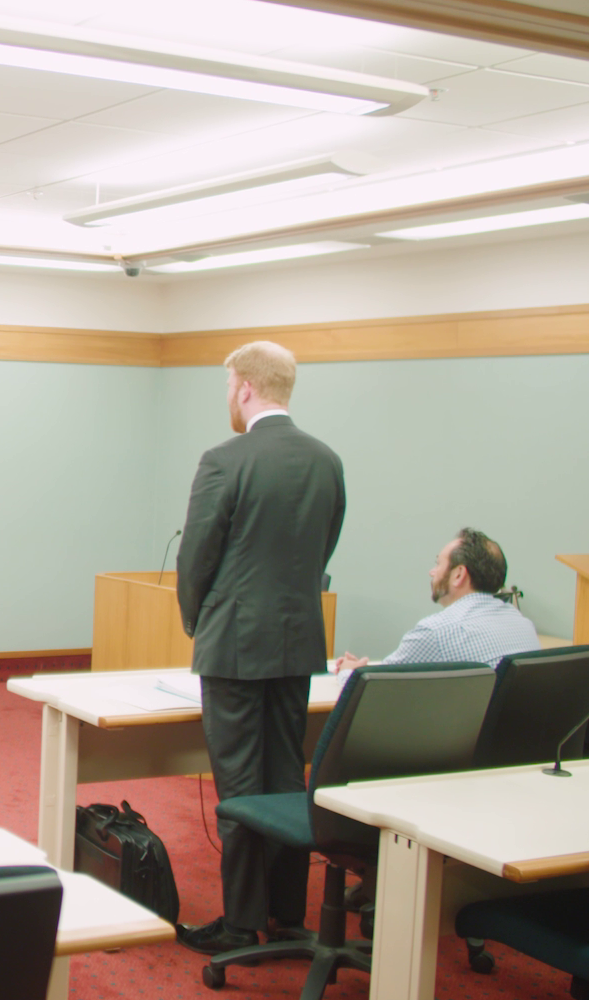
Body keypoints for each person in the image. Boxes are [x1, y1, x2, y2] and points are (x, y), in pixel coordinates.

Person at [174, 341, 347, 956]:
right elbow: (322, 551)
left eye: (228, 386)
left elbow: (196, 559)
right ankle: (286, 915)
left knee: (240, 787)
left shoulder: (225, 459)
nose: (228, 397)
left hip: (235, 647)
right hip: (298, 644)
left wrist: (201, 621)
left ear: (244, 386)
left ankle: (242, 923)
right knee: (283, 780)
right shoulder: (327, 461)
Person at [337, 528, 539, 670]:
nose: (431, 572)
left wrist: (347, 671)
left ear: (458, 575)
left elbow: (372, 688)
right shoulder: (522, 624)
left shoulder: (438, 631)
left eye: (438, 564)